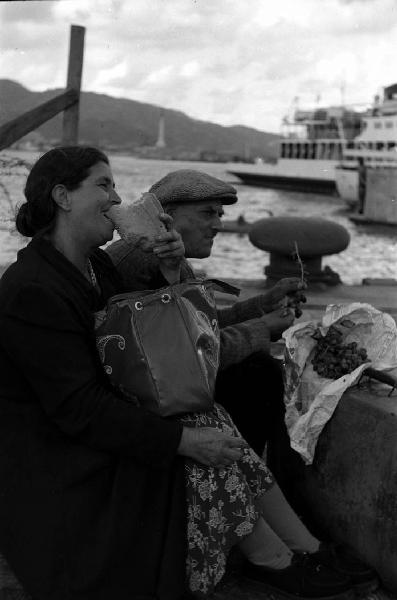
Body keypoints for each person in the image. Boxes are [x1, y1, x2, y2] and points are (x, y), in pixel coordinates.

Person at [0, 149, 375, 600]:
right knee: (200, 429)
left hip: (98, 425)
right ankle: (277, 557)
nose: (117, 196)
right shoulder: (33, 290)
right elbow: (81, 407)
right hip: (62, 461)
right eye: (103, 185)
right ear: (62, 196)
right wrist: (184, 441)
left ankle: (292, 552)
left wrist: (175, 271)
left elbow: (164, 342)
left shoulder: (93, 267)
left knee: (208, 415)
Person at [106, 169, 305, 474]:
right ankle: (250, 479)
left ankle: (261, 479)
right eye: (207, 213)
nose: (218, 224)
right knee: (261, 373)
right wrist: (263, 328)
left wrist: (265, 303)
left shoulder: (164, 254)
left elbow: (201, 324)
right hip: (146, 409)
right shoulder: (144, 259)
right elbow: (190, 356)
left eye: (219, 214)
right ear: (166, 215)